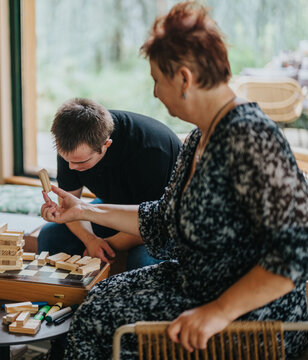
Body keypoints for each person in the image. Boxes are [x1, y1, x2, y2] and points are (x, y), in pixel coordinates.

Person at [40, 2, 308, 359]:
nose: (154, 93)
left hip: (246, 313)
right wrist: (83, 211)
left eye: (156, 80)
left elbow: (295, 254)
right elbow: (162, 217)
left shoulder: (250, 138)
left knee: (103, 323)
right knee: (97, 302)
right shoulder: (199, 138)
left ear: (184, 78)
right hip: (195, 285)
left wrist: (218, 312)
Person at [37, 98, 181, 270]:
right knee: (50, 234)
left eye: (81, 162)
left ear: (106, 145)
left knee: (143, 262)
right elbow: (70, 204)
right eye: (67, 160)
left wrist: (104, 244)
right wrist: (90, 240)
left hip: (165, 221)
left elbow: (154, 223)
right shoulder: (71, 144)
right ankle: (55, 297)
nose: (71, 167)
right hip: (113, 207)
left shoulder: (152, 151)